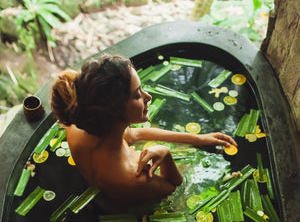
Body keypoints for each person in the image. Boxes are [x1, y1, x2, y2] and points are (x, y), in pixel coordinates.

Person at [51, 54, 237, 208]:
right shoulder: (133, 176)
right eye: (137, 94)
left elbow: (133, 134)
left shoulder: (77, 125)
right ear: (116, 111)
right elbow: (173, 187)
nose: (149, 96)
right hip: (130, 206)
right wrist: (166, 154)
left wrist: (198, 139)